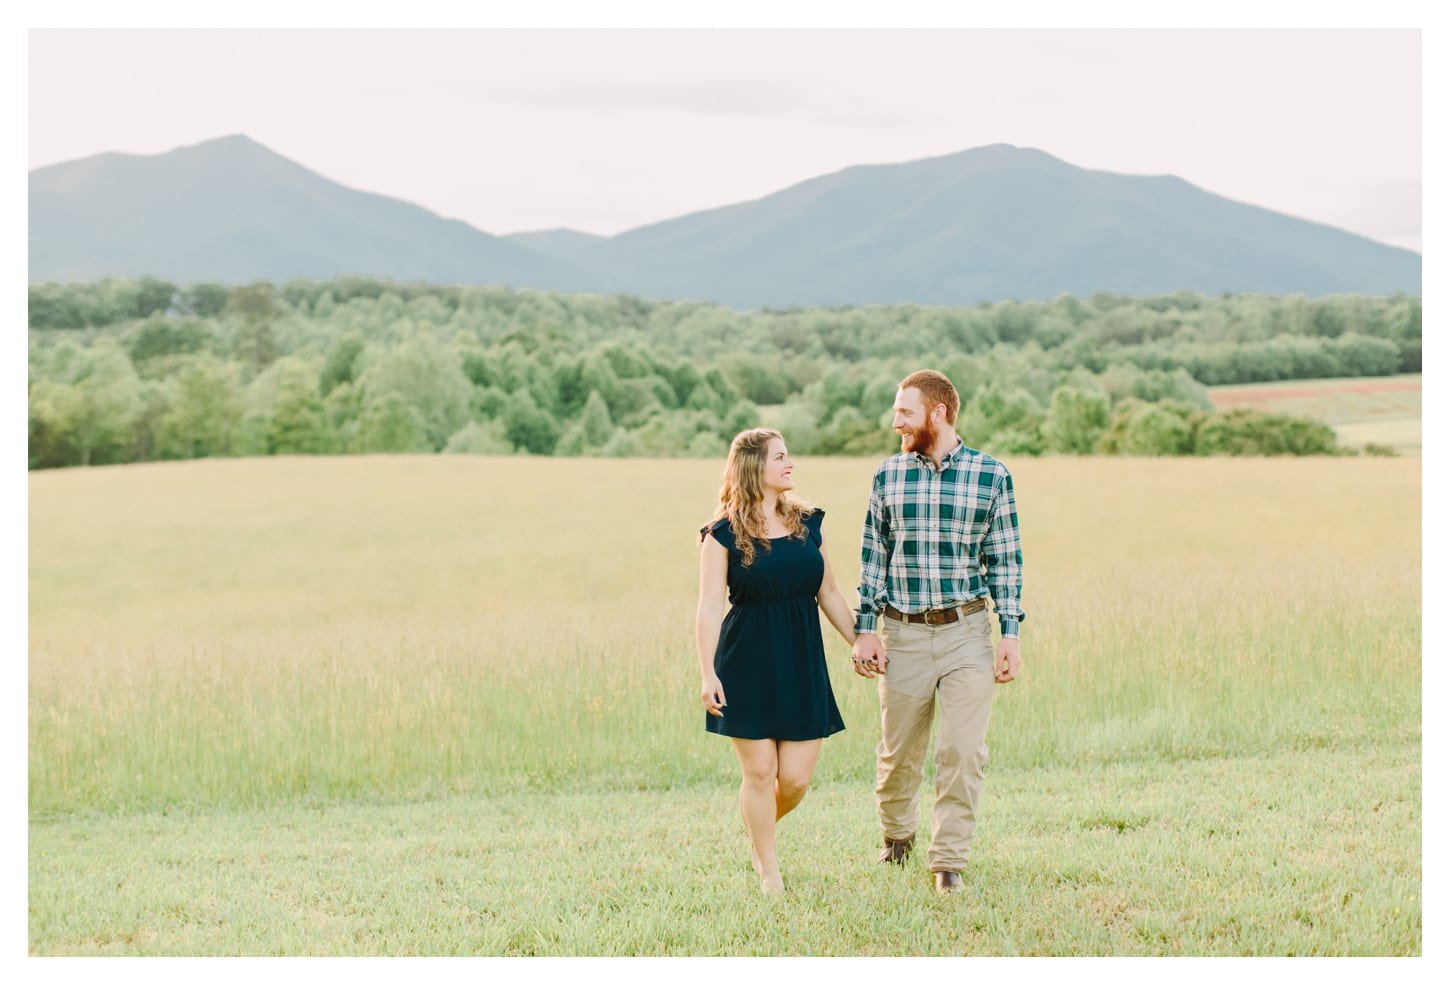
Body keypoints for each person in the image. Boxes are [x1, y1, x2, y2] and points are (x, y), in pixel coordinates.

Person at [850, 370, 1024, 895]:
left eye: (905, 411)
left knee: (963, 750)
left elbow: (1006, 559)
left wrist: (1010, 633)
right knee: (899, 753)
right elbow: (872, 558)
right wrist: (865, 630)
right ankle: (897, 836)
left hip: (967, 633)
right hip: (900, 635)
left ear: (939, 412)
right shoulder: (887, 477)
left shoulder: (992, 476)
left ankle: (948, 863)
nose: (895, 421)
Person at [695, 428, 858, 895]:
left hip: (801, 656)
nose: (790, 464)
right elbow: (708, 607)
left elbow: (828, 590)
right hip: (746, 660)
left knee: (796, 779)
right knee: (761, 772)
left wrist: (858, 641)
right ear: (753, 468)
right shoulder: (722, 535)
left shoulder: (809, 522)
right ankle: (768, 868)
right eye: (780, 458)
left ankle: (757, 830)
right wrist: (707, 672)